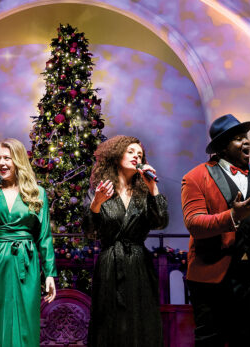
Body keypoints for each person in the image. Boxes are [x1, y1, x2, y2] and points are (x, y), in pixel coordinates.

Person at [181, 114, 250, 346]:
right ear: (223, 147)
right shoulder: (195, 177)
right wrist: (233, 216)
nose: (246, 142)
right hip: (214, 274)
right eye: (238, 138)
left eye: (246, 137)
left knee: (246, 338)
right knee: (210, 339)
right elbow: (194, 223)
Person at [0, 138, 57, 347]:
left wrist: (50, 273)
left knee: (26, 323)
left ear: (19, 160)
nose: (2, 163)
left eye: (8, 158)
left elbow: (44, 236)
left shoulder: (37, 193)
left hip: (26, 261)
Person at [83, 135, 169, 347]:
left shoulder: (144, 192)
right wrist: (96, 204)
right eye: (130, 152)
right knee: (110, 322)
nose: (136, 156)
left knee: (141, 320)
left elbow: (161, 222)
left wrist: (153, 189)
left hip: (138, 263)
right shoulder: (100, 191)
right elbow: (90, 232)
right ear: (116, 156)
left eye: (139, 154)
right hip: (110, 263)